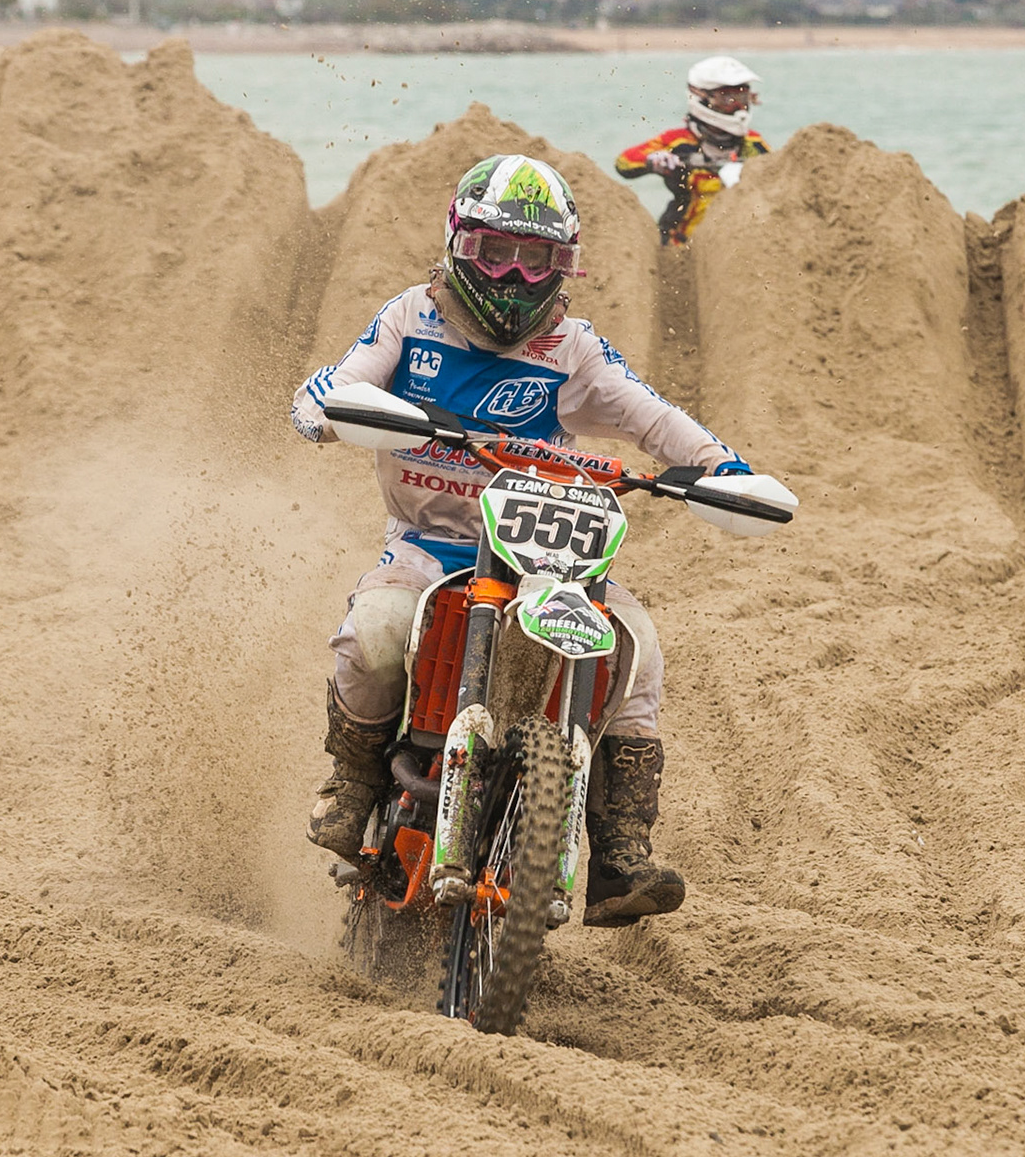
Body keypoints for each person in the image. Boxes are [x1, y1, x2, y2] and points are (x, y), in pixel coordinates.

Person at [290, 153, 758, 926]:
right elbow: (343, 378)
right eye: (496, 252)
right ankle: (354, 783)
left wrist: (720, 467)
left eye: (535, 258)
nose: (512, 276)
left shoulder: (572, 347)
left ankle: (617, 850)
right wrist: (329, 406)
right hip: (428, 546)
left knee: (635, 646)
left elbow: (652, 416)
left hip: (542, 555)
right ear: (459, 244)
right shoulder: (413, 317)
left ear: (561, 263)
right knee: (375, 635)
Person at [616, 56, 770, 246]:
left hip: (736, 245)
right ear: (701, 98)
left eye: (742, 98)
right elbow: (624, 162)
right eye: (728, 99)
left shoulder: (754, 143)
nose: (738, 107)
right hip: (679, 244)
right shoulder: (679, 141)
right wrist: (653, 160)